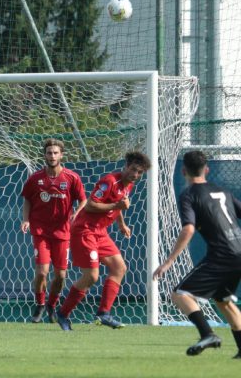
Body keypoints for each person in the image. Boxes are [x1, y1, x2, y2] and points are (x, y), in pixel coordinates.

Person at [153, 151, 241, 358]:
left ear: (183, 171)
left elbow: (188, 229)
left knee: (180, 294)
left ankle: (208, 334)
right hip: (238, 252)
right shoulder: (223, 191)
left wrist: (168, 261)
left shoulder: (189, 194)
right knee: (223, 300)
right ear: (207, 170)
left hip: (222, 254)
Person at [56, 151, 151, 331]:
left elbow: (119, 204)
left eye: (140, 173)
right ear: (126, 166)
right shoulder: (110, 181)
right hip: (85, 231)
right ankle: (63, 313)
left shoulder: (127, 185)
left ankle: (103, 314)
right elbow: (91, 204)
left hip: (100, 232)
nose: (136, 175)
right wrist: (117, 206)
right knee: (92, 276)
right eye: (133, 170)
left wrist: (121, 225)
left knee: (119, 268)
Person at [20, 138, 87, 323]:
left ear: (61, 155)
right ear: (45, 155)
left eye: (55, 152)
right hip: (41, 231)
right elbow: (27, 199)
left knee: (61, 276)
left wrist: (77, 214)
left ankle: (52, 304)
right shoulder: (35, 178)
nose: (52, 156)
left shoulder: (71, 177)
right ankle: (40, 304)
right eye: (49, 152)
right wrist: (26, 220)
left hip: (63, 233)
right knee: (42, 272)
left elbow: (83, 200)